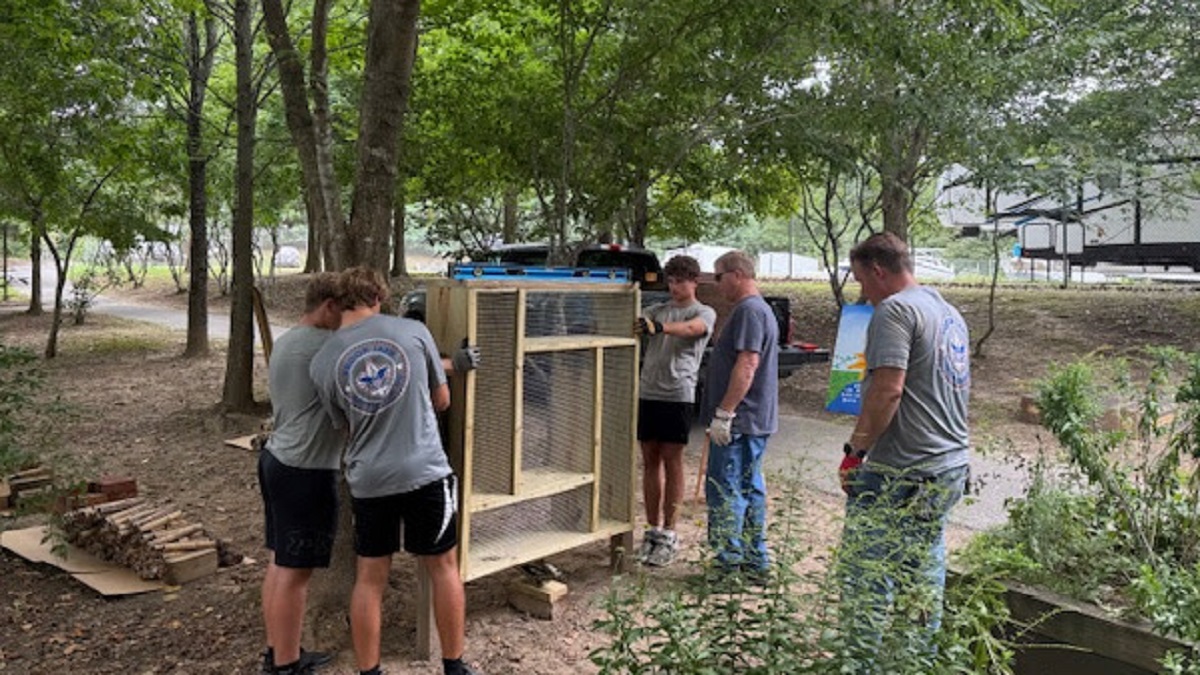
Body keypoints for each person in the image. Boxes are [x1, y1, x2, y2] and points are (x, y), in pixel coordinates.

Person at [309, 267, 480, 675]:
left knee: (370, 579)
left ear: (340, 303)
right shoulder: (413, 332)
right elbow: (442, 399)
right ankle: (454, 666)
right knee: (443, 567)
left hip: (370, 480)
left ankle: (370, 670)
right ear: (378, 297)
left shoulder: (322, 361)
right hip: (425, 471)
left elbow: (344, 425)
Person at [839, 232, 971, 667]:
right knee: (922, 573)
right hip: (948, 465)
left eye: (862, 280)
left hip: (902, 470)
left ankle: (858, 663)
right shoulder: (946, 311)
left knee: (866, 576)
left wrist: (855, 452)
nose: (863, 292)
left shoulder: (895, 310)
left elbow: (888, 390)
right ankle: (915, 663)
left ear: (878, 271)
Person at [258, 273, 342, 675]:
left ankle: (278, 651)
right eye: (344, 312)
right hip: (305, 472)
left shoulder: (289, 340)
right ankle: (286, 666)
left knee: (280, 563)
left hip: (278, 461)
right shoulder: (324, 346)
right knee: (296, 573)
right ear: (328, 307)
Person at [634, 255, 716, 567]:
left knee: (672, 460)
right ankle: (652, 530)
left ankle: (670, 532)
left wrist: (660, 328)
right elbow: (638, 318)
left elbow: (693, 329)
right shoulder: (656, 309)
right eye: (670, 281)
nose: (675, 287)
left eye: (681, 281)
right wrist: (642, 320)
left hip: (678, 394)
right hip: (648, 392)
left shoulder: (703, 311)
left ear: (695, 282)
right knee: (650, 459)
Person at [701, 250, 778, 579]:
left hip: (742, 420)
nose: (717, 285)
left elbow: (748, 364)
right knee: (748, 487)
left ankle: (729, 562)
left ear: (737, 275)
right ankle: (753, 561)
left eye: (719, 277)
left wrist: (725, 413)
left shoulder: (749, 311)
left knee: (727, 489)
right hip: (751, 420)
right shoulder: (756, 310)